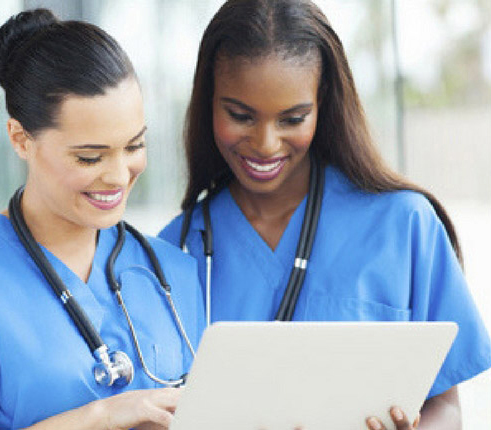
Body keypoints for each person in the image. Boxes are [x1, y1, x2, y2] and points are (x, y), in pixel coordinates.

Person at [0, 9, 208, 429]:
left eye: (134, 145)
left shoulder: (171, 272)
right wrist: (98, 417)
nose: (119, 175)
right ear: (19, 138)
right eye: (90, 156)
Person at [157, 1, 491, 428]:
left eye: (293, 118)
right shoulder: (171, 253)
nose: (265, 143)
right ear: (208, 103)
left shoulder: (405, 225)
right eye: (240, 116)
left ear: (324, 103)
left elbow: (444, 406)